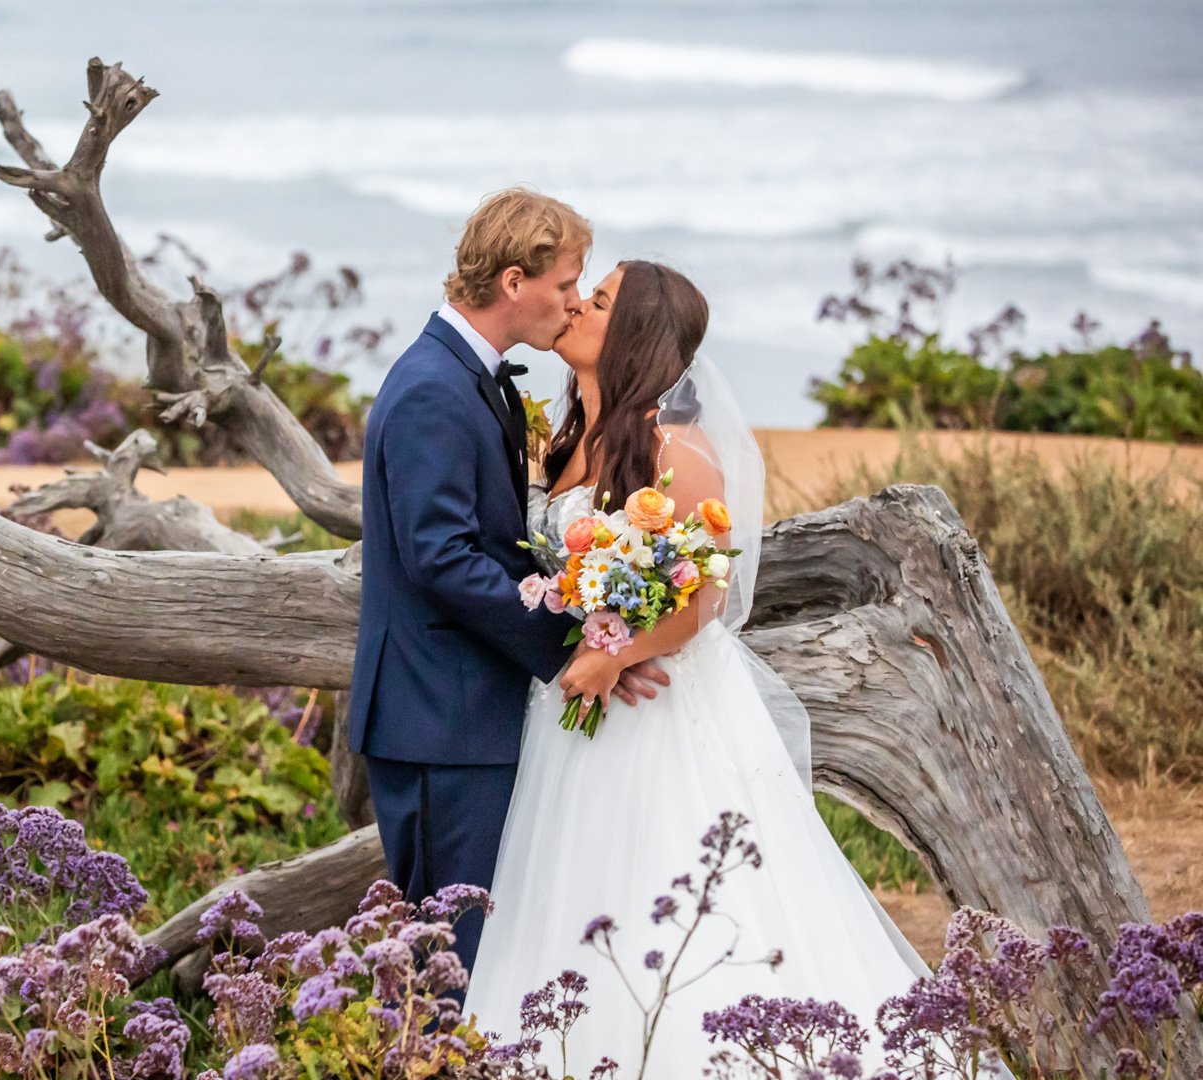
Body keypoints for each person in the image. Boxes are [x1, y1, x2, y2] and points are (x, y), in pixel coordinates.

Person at [462, 259, 937, 1075]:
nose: (577, 305)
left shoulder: (674, 449)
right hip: (574, 718)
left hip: (657, 713)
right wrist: (587, 649)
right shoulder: (570, 442)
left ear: (635, 336)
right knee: (574, 892)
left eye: (599, 300)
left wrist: (619, 653)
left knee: (669, 888)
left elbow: (704, 595)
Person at [347, 189, 672, 988]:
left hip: (463, 712)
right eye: (568, 283)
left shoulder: (473, 377)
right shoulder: (433, 387)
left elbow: (493, 544)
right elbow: (441, 557)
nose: (573, 302)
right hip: (439, 719)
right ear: (517, 281)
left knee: (470, 951)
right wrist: (576, 648)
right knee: (448, 960)